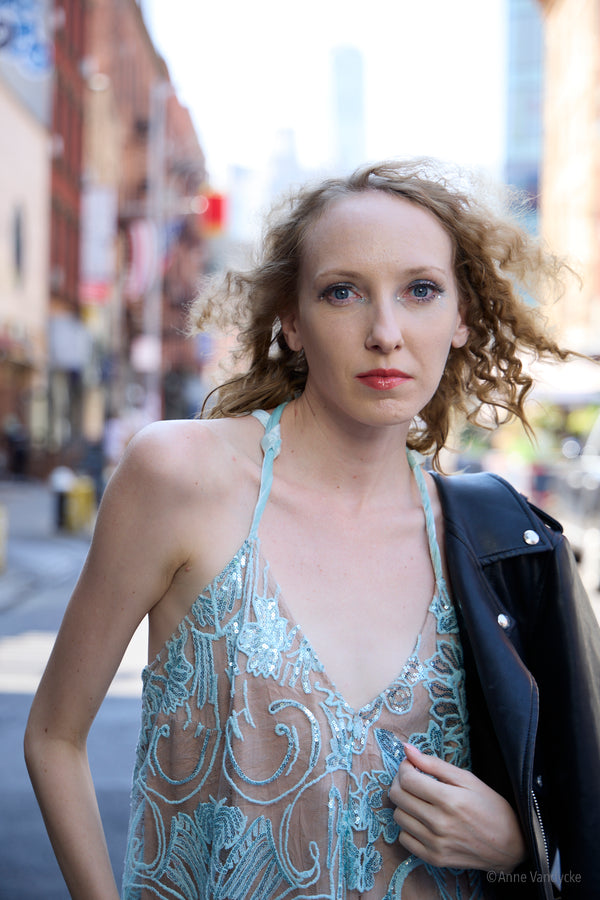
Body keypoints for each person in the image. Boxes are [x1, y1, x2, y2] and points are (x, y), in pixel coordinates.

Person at [24, 159, 600, 900]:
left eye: (420, 290)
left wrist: (516, 842)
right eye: (343, 292)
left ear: (461, 318)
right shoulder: (180, 476)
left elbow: (572, 816)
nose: (385, 332)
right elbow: (54, 737)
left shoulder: (495, 541)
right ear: (292, 322)